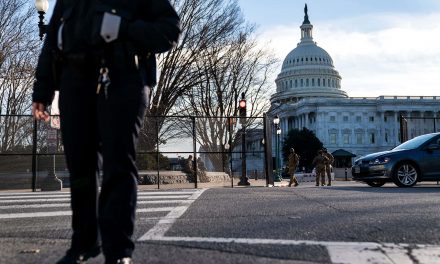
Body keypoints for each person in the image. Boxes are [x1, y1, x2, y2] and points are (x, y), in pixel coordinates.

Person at [32, 1, 180, 263]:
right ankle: (84, 242)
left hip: (123, 77)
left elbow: (169, 32)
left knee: (118, 163)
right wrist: (41, 91)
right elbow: (52, 44)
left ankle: (118, 250)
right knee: (80, 168)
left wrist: (124, 28)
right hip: (74, 82)